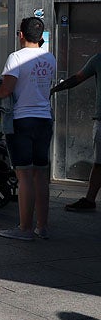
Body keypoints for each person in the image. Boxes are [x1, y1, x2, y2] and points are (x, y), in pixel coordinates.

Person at [0, 17, 56, 241]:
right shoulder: (49, 58)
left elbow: (6, 89)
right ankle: (43, 226)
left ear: (21, 34)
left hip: (23, 120)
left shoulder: (16, 58)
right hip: (44, 119)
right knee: (41, 174)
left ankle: (25, 229)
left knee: (25, 176)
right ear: (41, 36)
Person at [51, 51, 101, 212]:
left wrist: (53, 90)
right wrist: (54, 89)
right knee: (99, 163)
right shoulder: (98, 59)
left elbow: (76, 79)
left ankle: (90, 200)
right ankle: (89, 200)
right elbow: (76, 79)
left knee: (99, 163)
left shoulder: (98, 59)